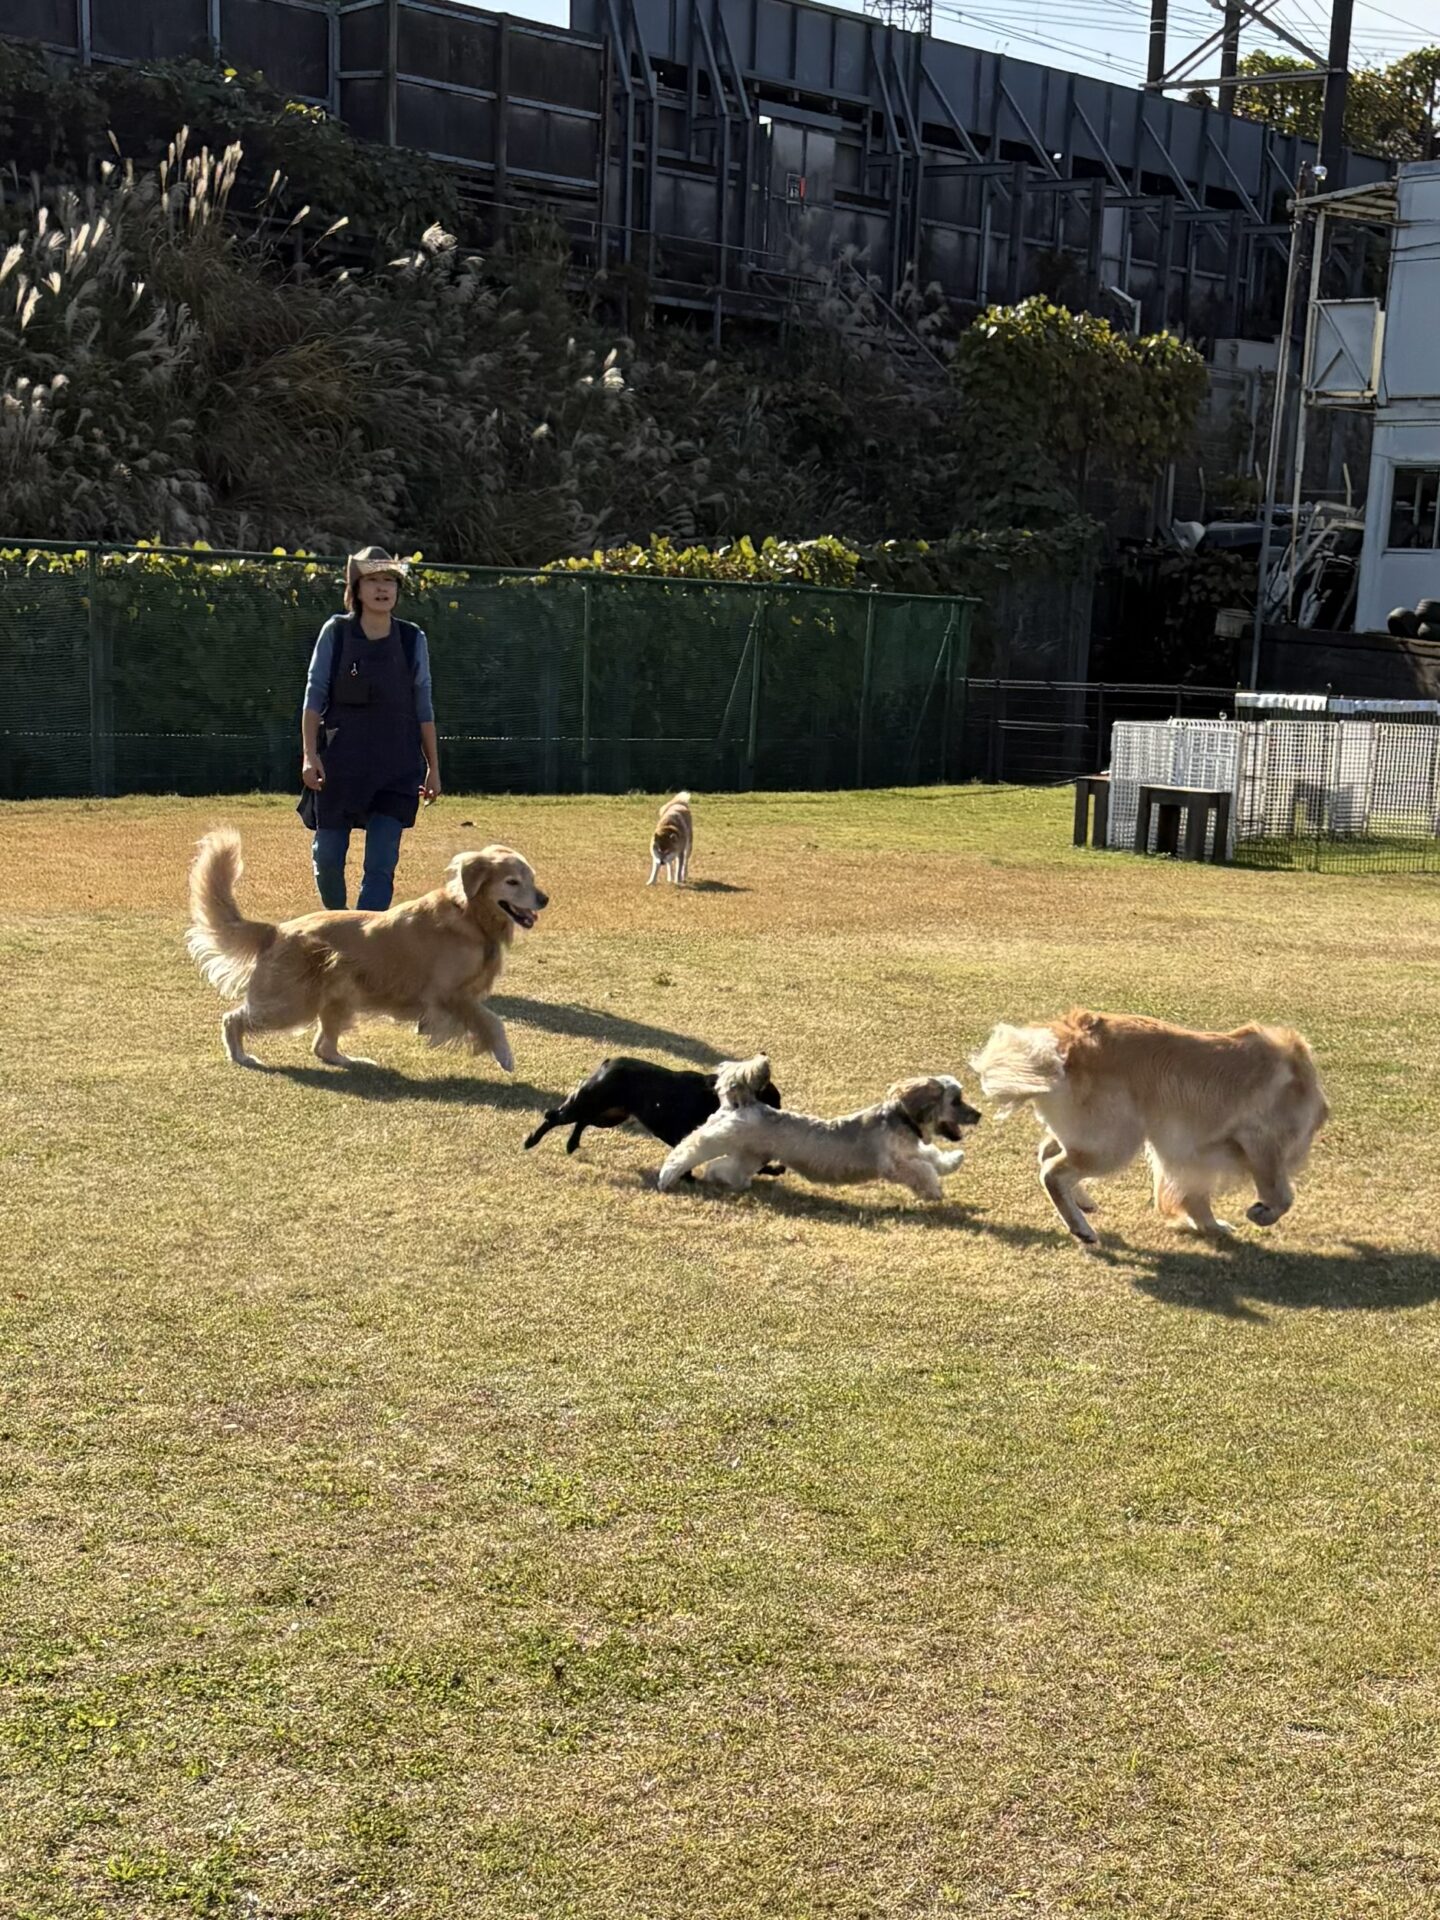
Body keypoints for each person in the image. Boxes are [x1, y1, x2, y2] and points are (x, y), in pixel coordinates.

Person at [298, 547, 441, 911]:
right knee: (327, 858)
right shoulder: (336, 632)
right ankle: (336, 926)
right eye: (373, 580)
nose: (382, 588)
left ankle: (366, 938)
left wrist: (433, 768)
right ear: (356, 589)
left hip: (396, 767)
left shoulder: (412, 639)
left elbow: (424, 706)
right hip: (340, 765)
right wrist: (310, 756)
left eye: (389, 581)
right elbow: (314, 696)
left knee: (380, 865)